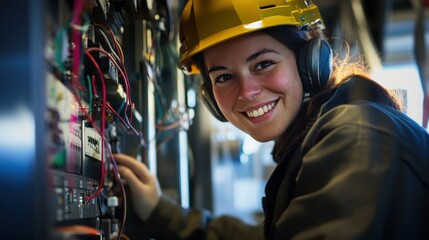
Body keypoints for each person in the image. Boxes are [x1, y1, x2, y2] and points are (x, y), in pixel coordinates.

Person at [114, 0, 429, 239]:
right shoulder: (334, 134)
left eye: (263, 63)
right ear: (209, 96)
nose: (247, 92)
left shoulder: (355, 136)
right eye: (223, 77)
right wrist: (161, 211)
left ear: (309, 61)